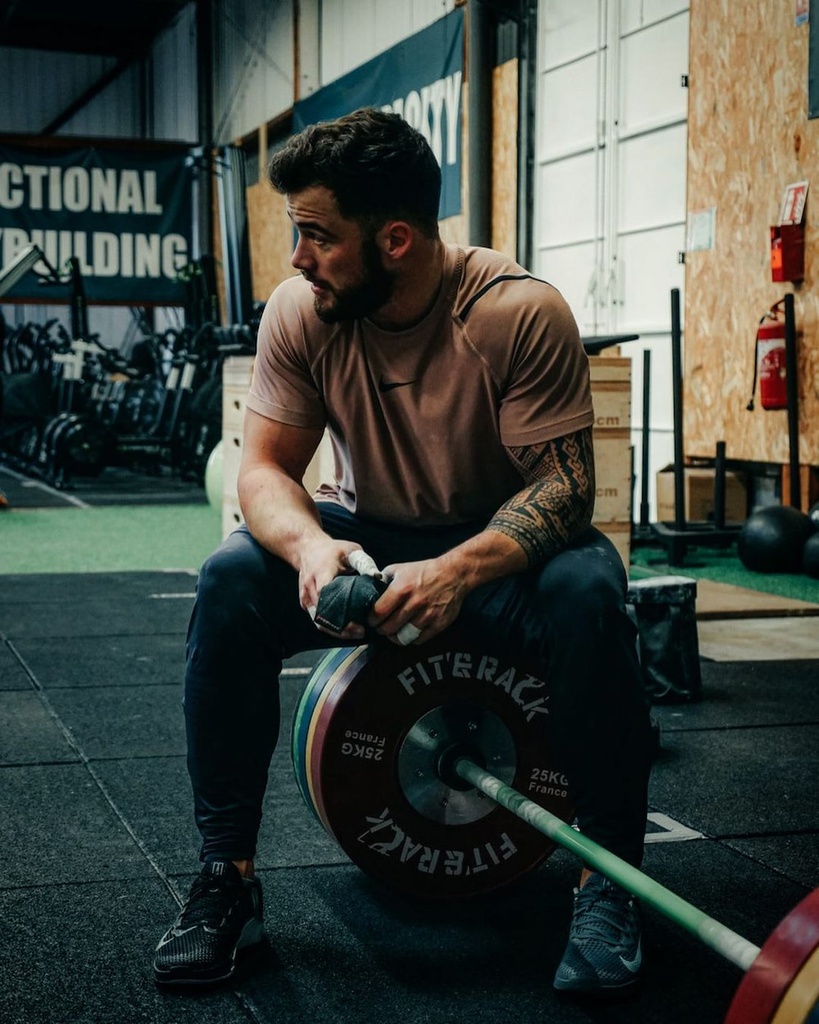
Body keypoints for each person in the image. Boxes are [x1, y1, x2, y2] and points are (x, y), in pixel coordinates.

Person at [153, 108, 654, 998]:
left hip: (501, 549)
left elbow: (567, 488)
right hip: (366, 535)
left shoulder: (512, 313)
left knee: (587, 587)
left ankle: (607, 879)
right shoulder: (303, 313)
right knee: (231, 578)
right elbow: (264, 470)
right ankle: (225, 881)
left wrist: (460, 569)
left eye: (315, 235)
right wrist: (311, 550)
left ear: (393, 239)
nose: (298, 258)